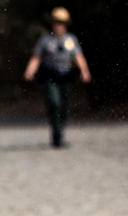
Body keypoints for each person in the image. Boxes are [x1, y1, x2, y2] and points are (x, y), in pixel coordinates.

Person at [23, 7, 91, 147]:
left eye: (61, 22)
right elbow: (36, 58)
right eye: (56, 22)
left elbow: (78, 56)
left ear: (66, 24)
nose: (59, 25)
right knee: (54, 103)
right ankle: (56, 135)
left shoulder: (71, 40)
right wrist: (30, 71)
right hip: (50, 77)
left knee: (64, 106)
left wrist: (84, 71)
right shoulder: (45, 40)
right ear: (52, 23)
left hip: (65, 77)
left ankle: (59, 135)